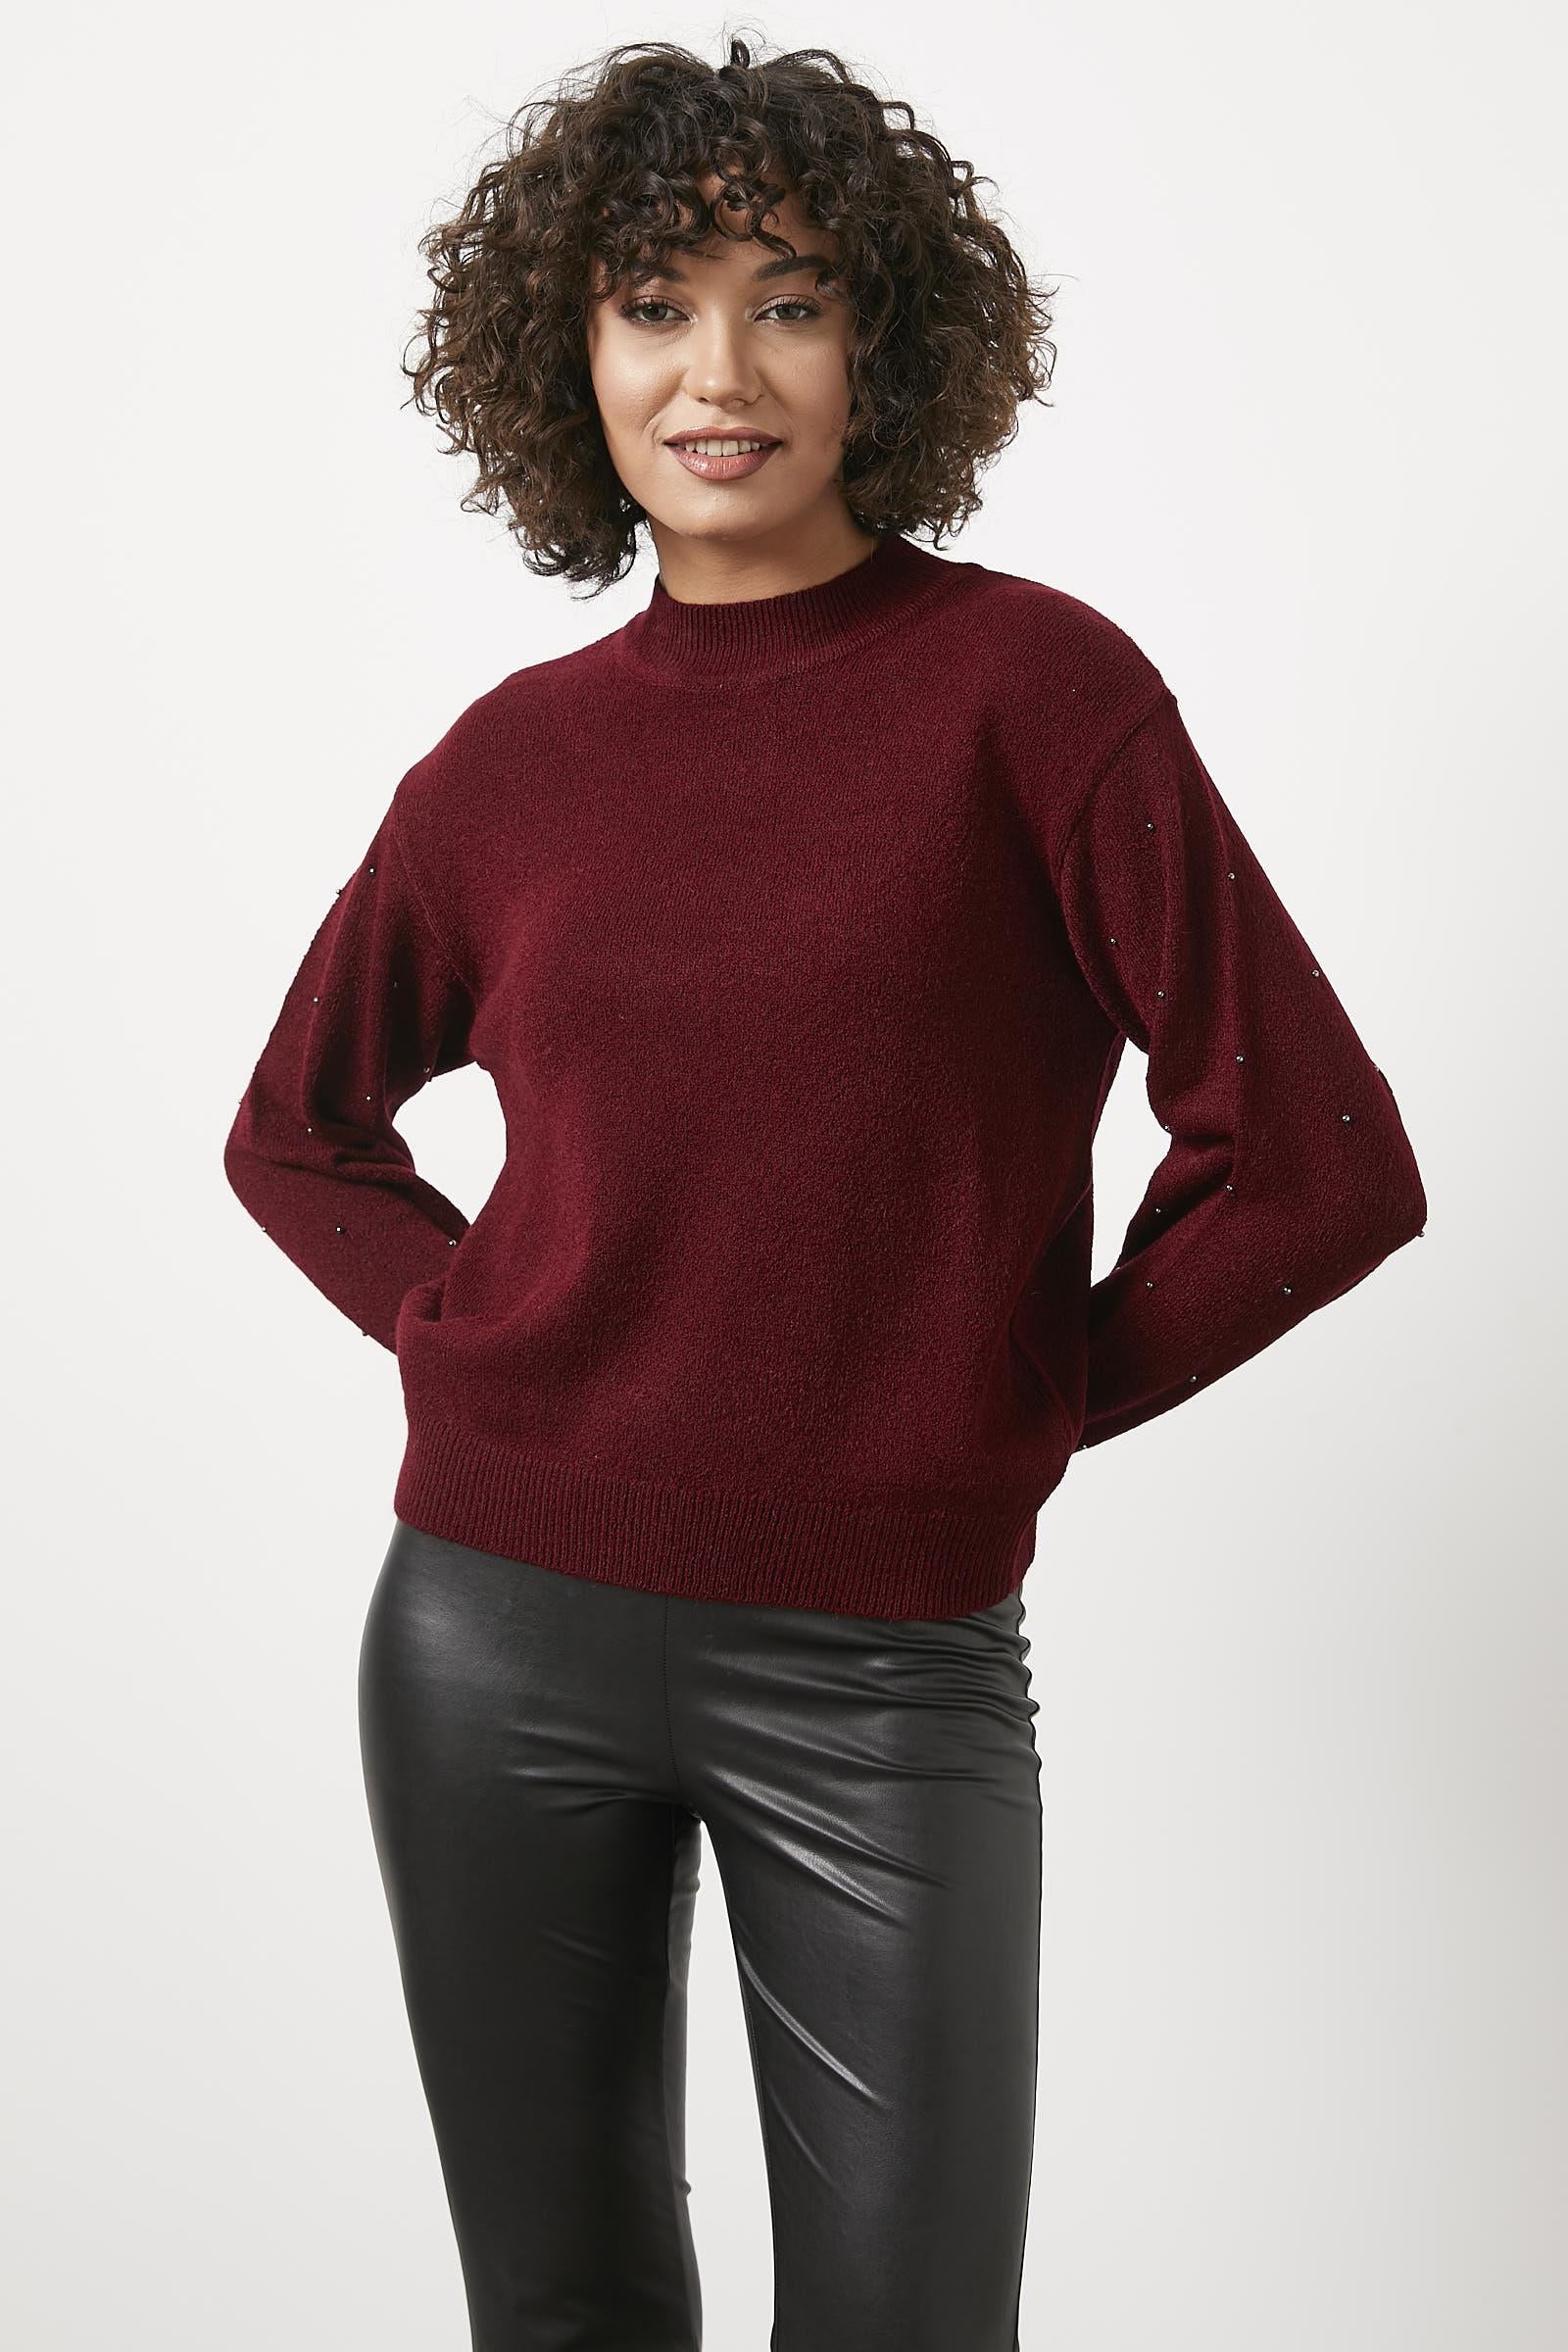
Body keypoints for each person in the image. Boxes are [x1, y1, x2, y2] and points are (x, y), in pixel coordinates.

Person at [222, 34, 1428, 2352]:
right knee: (561, 2315)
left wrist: (998, 1400)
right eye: (652, 307)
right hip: (489, 1634)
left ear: (884, 340)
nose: (719, 373)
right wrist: (481, 1345)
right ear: (567, 356)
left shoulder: (1035, 696)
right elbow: (294, 1130)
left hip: (879, 1668)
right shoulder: (507, 765)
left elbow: (1317, 1164)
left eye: (787, 301)